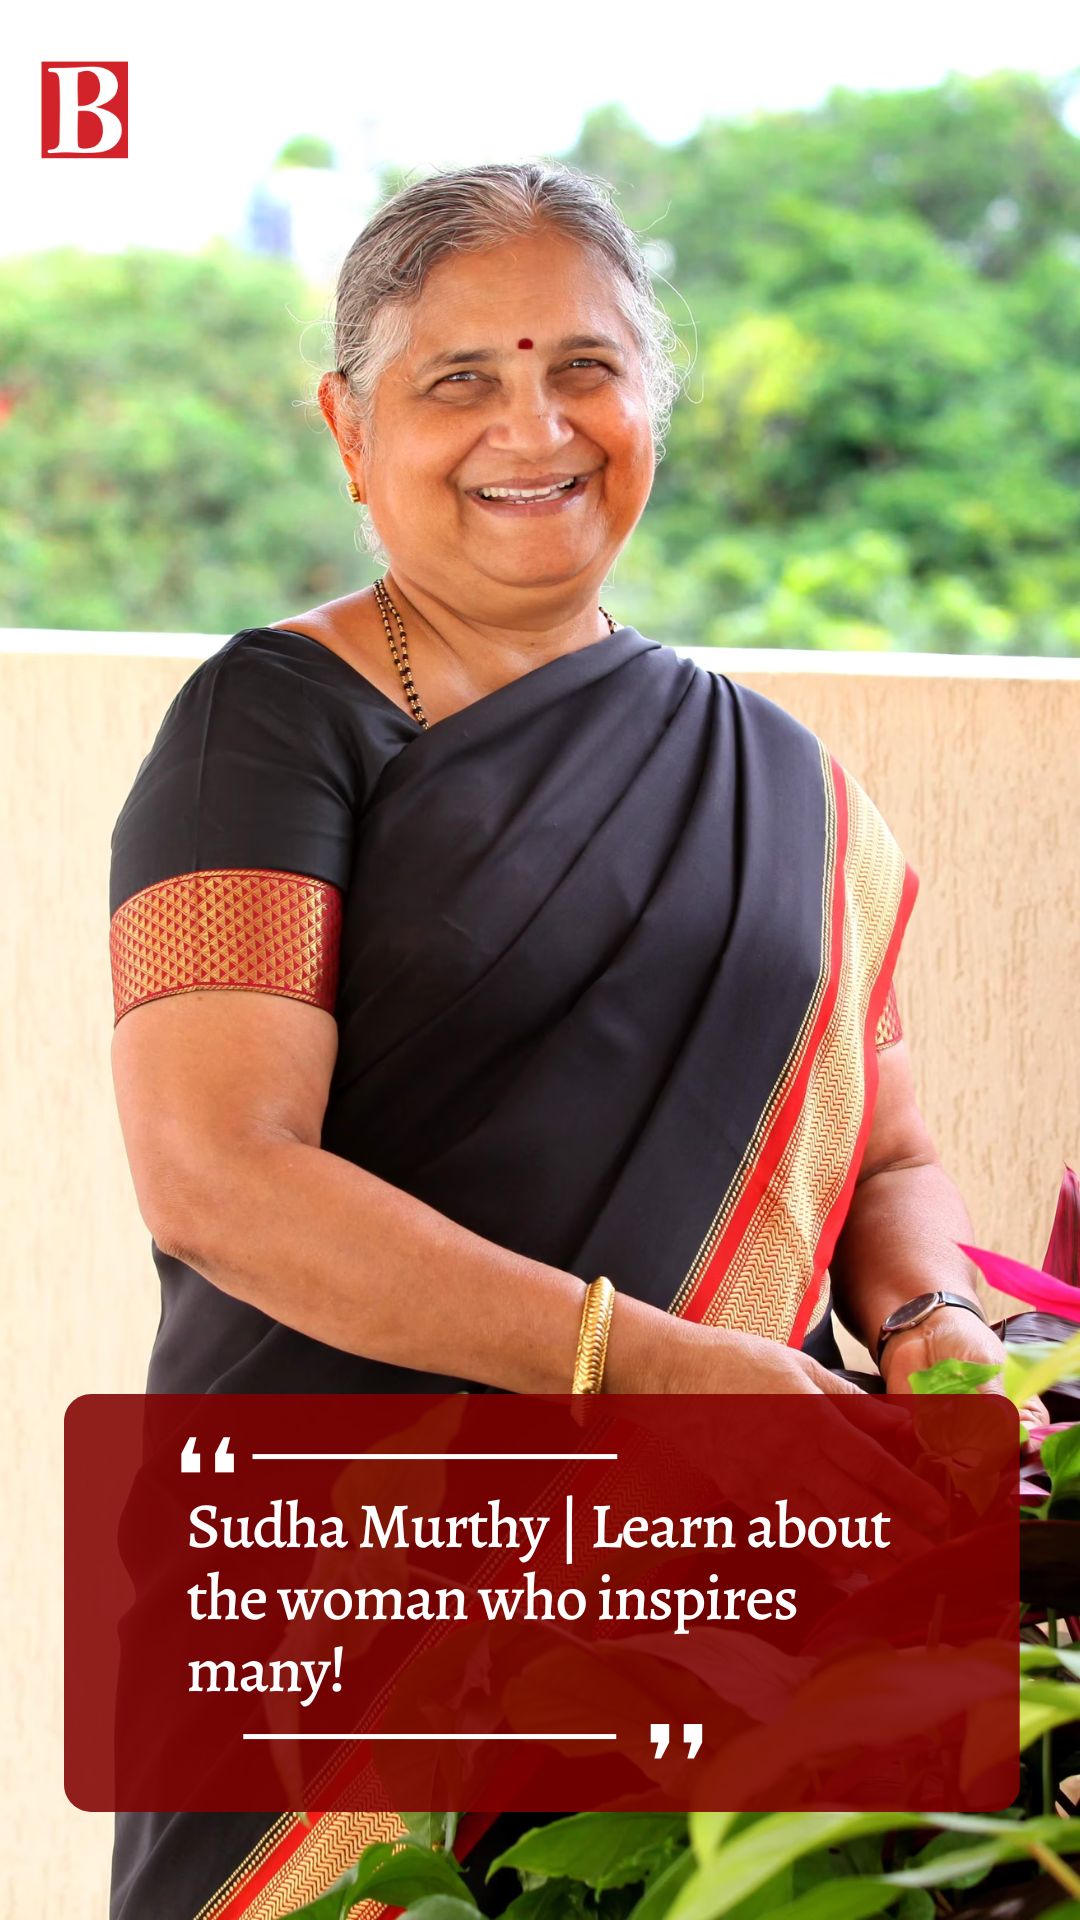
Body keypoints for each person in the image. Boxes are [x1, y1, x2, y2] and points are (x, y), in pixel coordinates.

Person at [107, 161, 1024, 1920]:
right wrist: (661, 1378)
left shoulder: (787, 784)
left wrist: (935, 1325)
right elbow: (218, 1175)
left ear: (650, 408)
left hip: (720, 1590)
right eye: (459, 378)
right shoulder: (265, 731)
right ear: (348, 427)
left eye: (586, 370)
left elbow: (888, 1146)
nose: (532, 428)